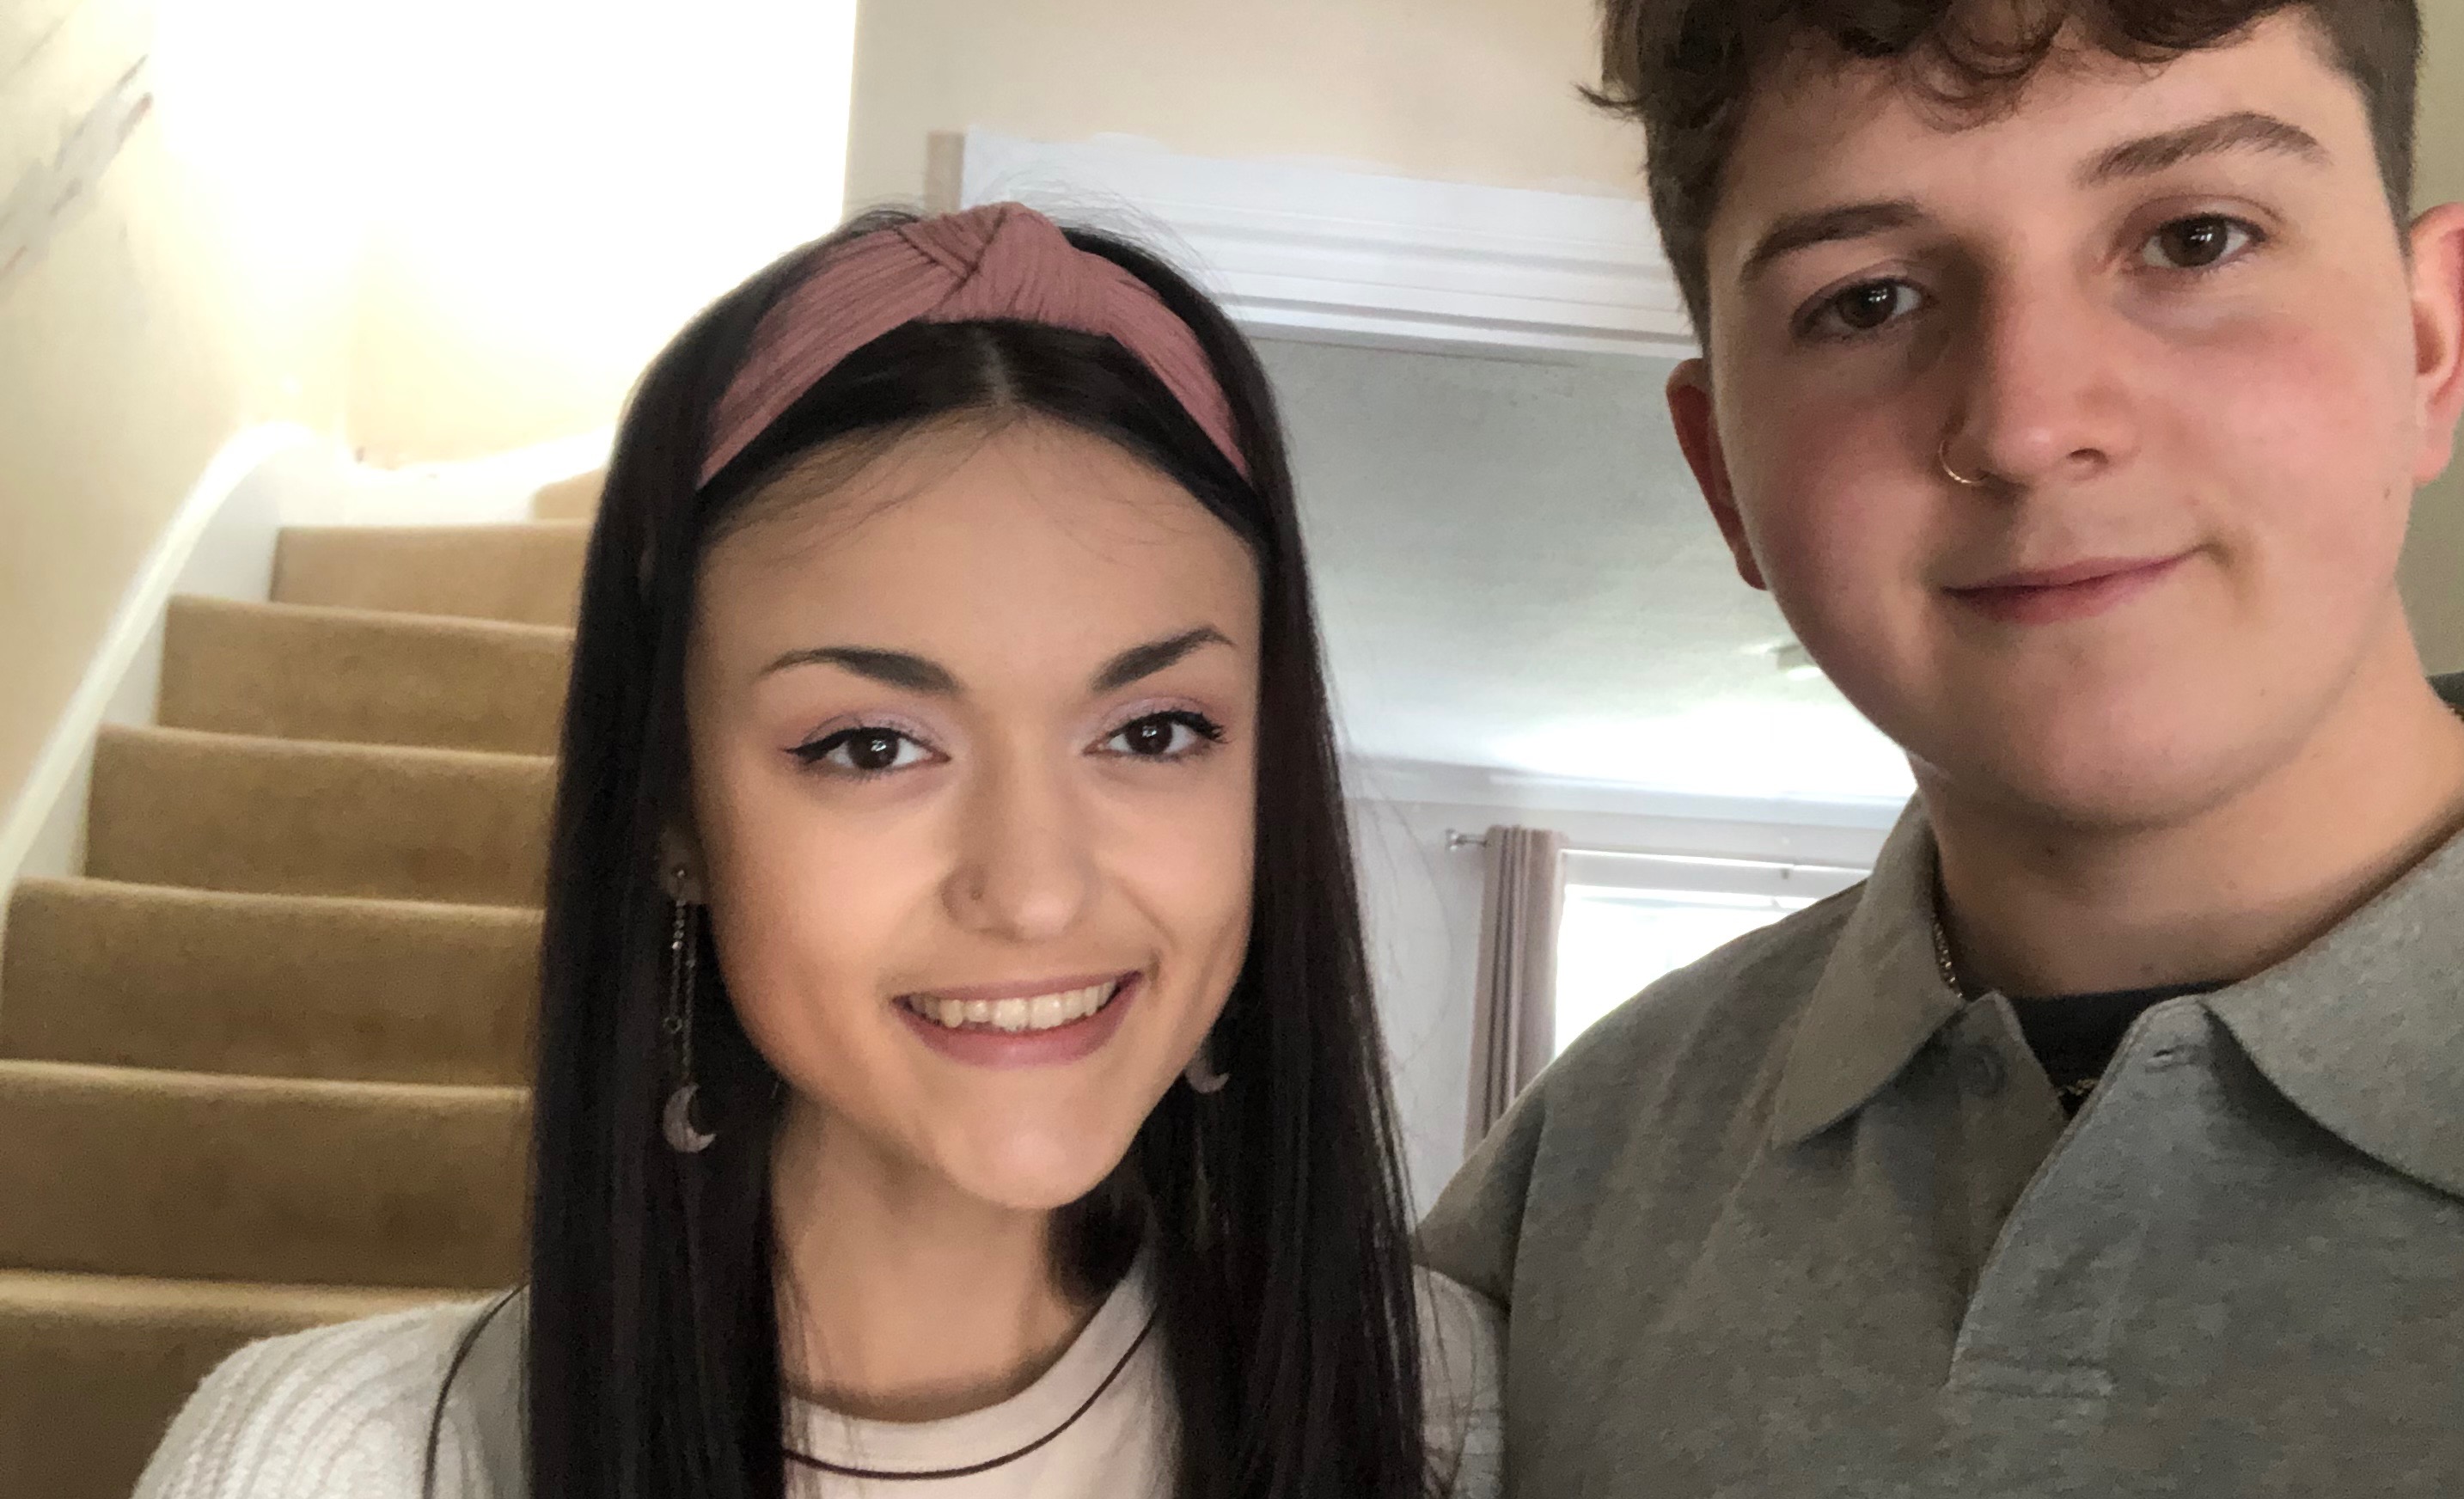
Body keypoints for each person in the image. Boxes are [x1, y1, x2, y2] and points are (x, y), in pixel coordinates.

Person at [1419, 2, 2464, 1493]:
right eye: (1867, 302)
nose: (2025, 422)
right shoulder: (1576, 1176)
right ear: (1723, 476)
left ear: (2430, 343)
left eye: (2196, 239)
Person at [133, 203, 1501, 1499]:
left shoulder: (1452, 1409)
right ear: (673, 810)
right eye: (871, 745)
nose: (1035, 893)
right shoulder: (340, 1462)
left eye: (1153, 732)